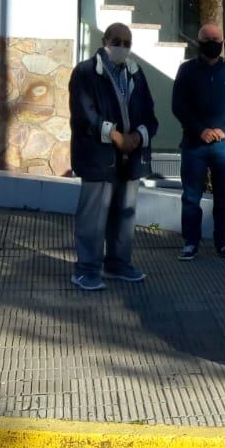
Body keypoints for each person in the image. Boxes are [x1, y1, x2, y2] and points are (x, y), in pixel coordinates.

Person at [68, 22, 159, 291]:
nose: (122, 47)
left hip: (130, 158)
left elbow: (149, 113)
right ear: (105, 39)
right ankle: (86, 269)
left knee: (124, 214)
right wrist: (116, 136)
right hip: (99, 156)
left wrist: (138, 137)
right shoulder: (85, 72)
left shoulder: (136, 73)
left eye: (127, 43)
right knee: (93, 217)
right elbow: (84, 114)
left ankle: (118, 264)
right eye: (117, 41)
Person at [172, 23, 225, 261]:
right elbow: (179, 106)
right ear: (199, 42)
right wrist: (200, 130)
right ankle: (190, 242)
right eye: (208, 38)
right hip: (194, 144)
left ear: (223, 42)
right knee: (191, 196)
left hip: (224, 146)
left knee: (223, 197)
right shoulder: (186, 71)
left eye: (217, 38)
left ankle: (224, 242)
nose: (213, 42)